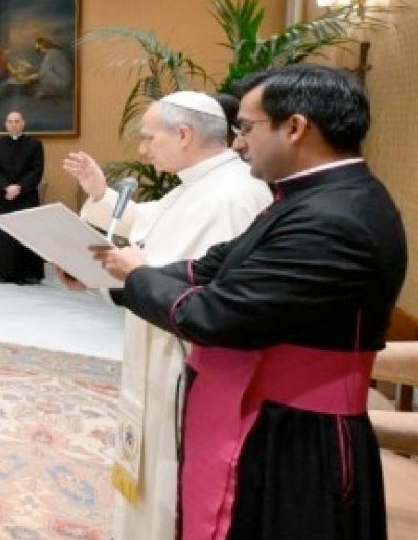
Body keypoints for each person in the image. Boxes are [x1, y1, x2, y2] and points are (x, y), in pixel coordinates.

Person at [94, 65, 406, 540]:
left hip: (298, 435)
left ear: (295, 127)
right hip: (266, 412)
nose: (238, 143)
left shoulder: (333, 217)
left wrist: (136, 275)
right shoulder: (312, 198)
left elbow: (216, 315)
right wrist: (118, 276)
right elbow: (212, 266)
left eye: (246, 128)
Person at [62, 91, 270, 540]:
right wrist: (99, 196)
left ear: (184, 134)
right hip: (156, 346)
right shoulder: (197, 185)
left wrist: (118, 276)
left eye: (149, 137)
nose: (142, 150)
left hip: (185, 365)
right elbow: (148, 226)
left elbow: (198, 291)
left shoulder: (231, 196)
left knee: (170, 477)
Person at [0, 111, 45, 284]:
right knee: (3, 235)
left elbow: (37, 170)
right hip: (1, 196)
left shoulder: (35, 144)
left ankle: (23, 274)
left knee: (24, 234)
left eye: (17, 121)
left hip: (26, 196)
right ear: (6, 124)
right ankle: (3, 272)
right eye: (10, 121)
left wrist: (19, 187)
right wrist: (6, 187)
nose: (14, 124)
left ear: (23, 123)